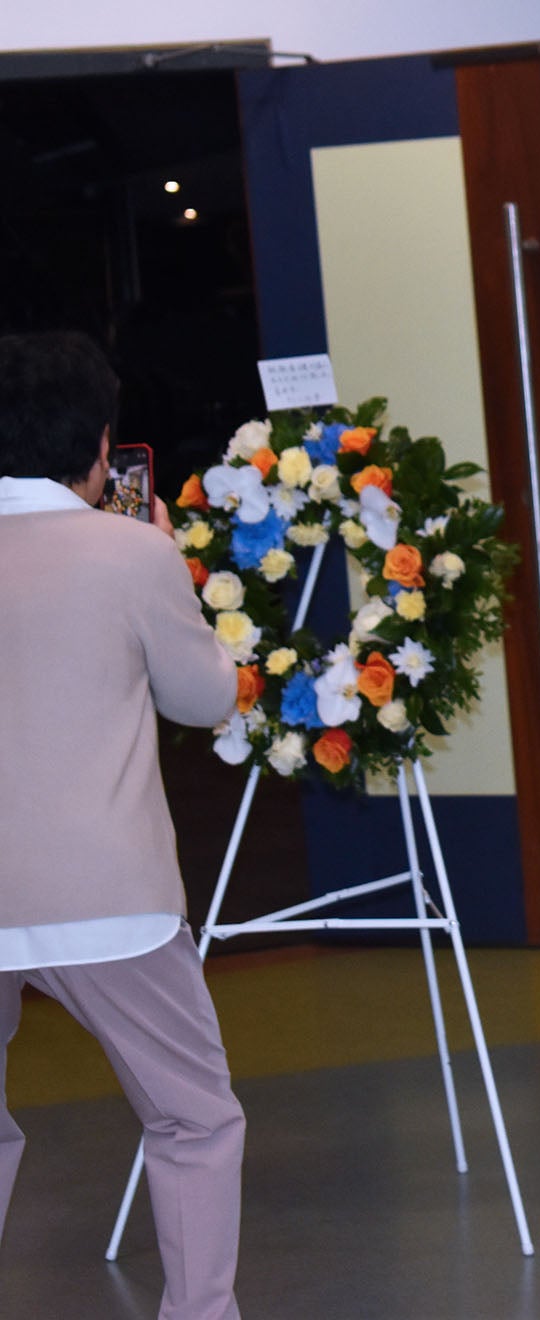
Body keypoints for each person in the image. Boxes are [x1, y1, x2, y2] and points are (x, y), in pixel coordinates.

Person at [0, 332, 244, 1320]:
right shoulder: (133, 550)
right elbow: (203, 697)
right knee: (193, 1120)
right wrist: (165, 556)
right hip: (106, 892)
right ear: (102, 444)